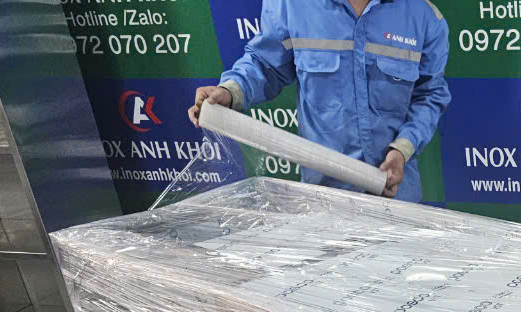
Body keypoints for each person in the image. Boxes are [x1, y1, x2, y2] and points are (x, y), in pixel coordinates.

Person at [189, 0, 450, 201]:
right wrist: (230, 91)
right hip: (324, 196)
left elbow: (430, 95)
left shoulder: (424, 16)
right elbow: (265, 65)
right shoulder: (292, 5)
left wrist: (402, 150)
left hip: (395, 192)